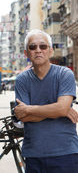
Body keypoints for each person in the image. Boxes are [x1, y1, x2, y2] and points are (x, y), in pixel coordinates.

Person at [14, 29, 78, 173]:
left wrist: (29, 109)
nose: (38, 50)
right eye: (32, 47)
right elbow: (23, 116)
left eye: (43, 46)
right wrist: (59, 110)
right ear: (26, 53)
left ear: (50, 51)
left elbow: (28, 112)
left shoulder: (64, 74)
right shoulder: (22, 80)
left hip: (66, 152)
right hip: (34, 154)